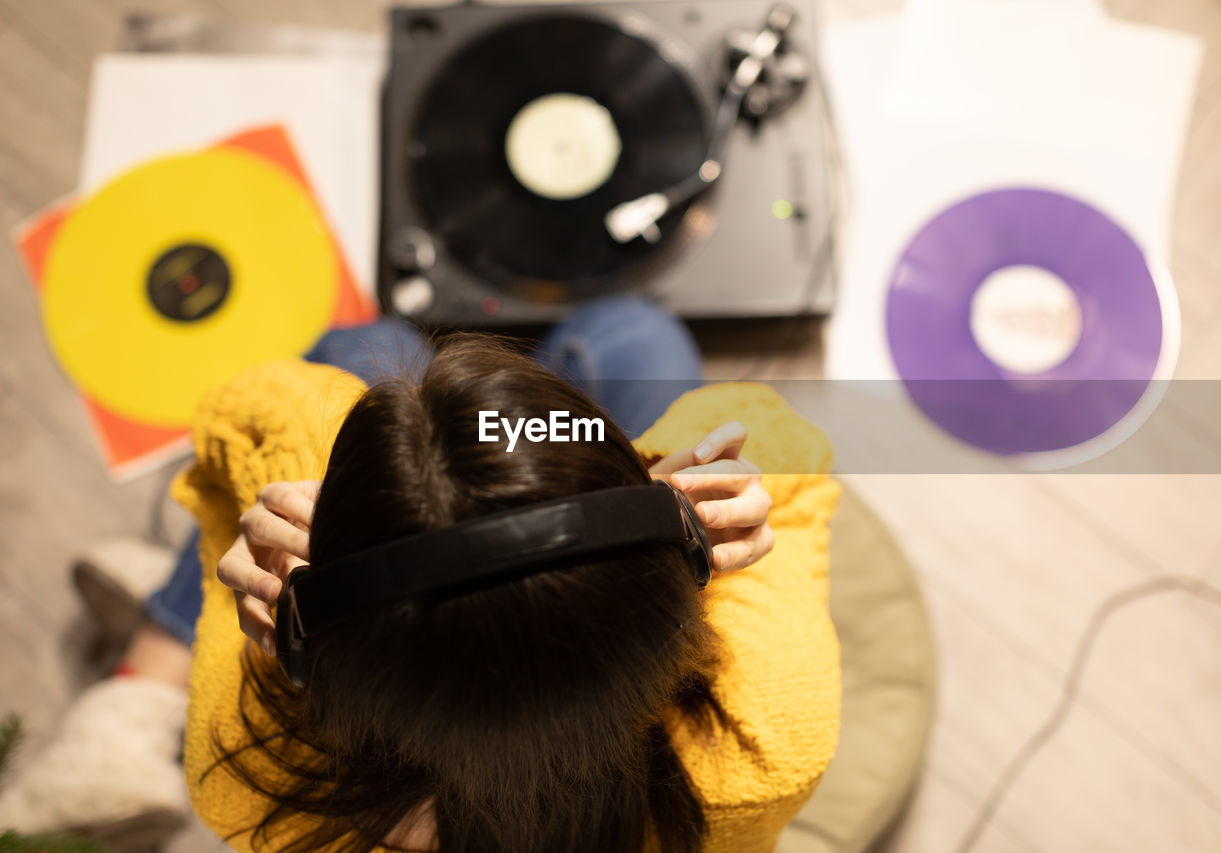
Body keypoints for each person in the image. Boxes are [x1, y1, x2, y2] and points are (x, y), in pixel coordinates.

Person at [1, 296, 840, 853]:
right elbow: (789, 447)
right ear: (677, 565)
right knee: (637, 335)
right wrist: (682, 476)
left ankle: (140, 685)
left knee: (368, 347)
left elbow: (245, 404)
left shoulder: (249, 765)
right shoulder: (767, 741)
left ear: (305, 638)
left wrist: (298, 480)